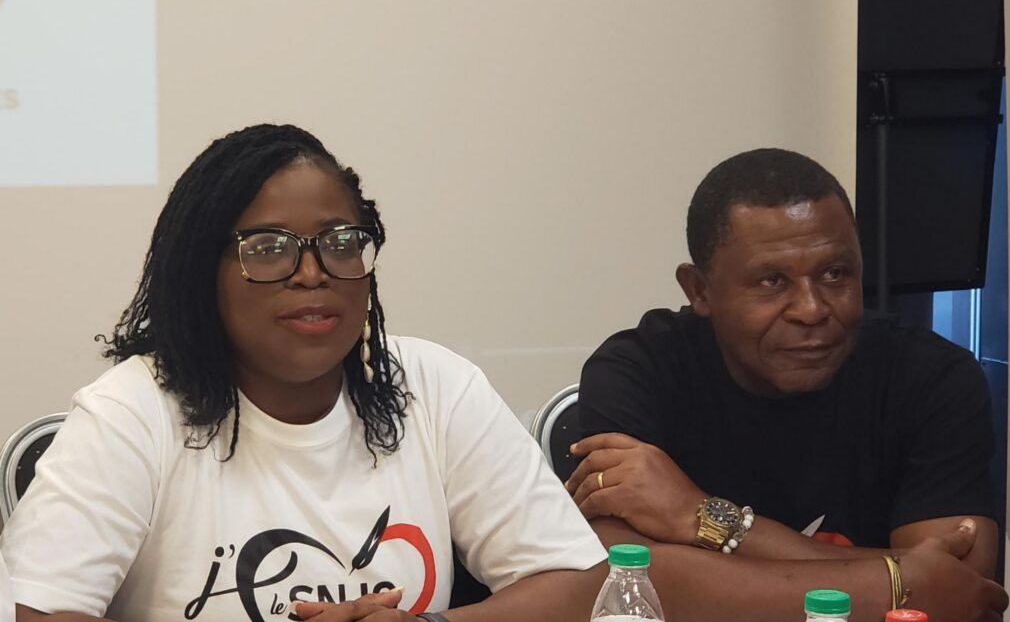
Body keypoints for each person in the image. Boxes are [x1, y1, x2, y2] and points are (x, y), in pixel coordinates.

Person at [1, 124, 606, 622]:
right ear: (202, 272)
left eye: (340, 242)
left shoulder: (436, 386)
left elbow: (581, 584)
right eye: (268, 248)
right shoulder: (131, 413)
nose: (312, 273)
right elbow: (39, 612)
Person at [565, 148, 1009, 622]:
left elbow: (960, 592)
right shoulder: (640, 370)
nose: (812, 309)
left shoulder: (932, 377)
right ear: (699, 290)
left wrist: (705, 518)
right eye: (772, 281)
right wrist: (898, 581)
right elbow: (626, 583)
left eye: (835, 274)